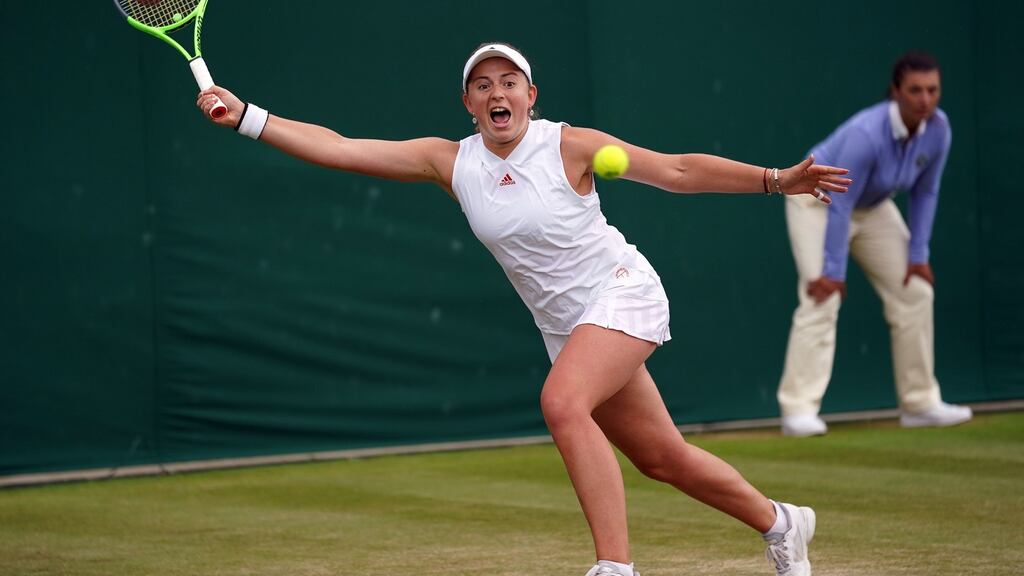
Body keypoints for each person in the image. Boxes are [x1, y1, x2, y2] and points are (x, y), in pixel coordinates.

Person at [197, 42, 850, 576]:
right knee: (662, 458)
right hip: (566, 327)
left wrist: (775, 179)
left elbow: (677, 171)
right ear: (468, 104)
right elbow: (340, 147)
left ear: (531, 95)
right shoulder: (449, 162)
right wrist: (248, 116)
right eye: (482, 85)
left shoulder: (570, 145)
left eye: (509, 82)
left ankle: (616, 567)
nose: (497, 93)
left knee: (562, 403)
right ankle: (781, 524)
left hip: (622, 289)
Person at [776, 51, 972, 438]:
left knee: (915, 290)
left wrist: (918, 255)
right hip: (818, 201)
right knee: (822, 297)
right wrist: (833, 272)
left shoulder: (939, 129)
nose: (925, 99)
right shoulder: (867, 134)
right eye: (915, 90)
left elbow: (926, 191)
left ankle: (920, 403)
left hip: (872, 207)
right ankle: (798, 411)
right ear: (896, 91)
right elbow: (840, 201)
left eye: (932, 90)